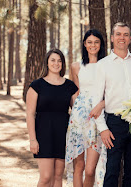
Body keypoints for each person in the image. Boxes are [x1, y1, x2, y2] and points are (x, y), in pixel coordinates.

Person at [93, 22, 131, 187]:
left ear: (130, 38)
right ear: (111, 38)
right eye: (118, 34)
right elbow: (96, 99)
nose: (121, 38)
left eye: (125, 34)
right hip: (114, 123)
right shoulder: (103, 65)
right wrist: (103, 128)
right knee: (112, 170)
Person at [26, 49, 78, 187]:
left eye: (59, 60)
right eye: (53, 60)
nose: (56, 63)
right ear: (47, 63)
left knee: (58, 177)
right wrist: (32, 139)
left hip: (63, 135)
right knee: (46, 177)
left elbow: (78, 111)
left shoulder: (69, 86)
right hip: (44, 134)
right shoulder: (36, 86)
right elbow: (30, 114)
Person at [65, 29, 107, 187]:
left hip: (97, 118)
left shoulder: (106, 65)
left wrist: (102, 104)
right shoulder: (76, 66)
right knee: (79, 166)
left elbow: (110, 92)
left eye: (96, 42)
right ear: (84, 44)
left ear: (100, 44)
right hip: (78, 119)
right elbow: (75, 94)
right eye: (89, 42)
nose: (93, 45)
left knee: (90, 169)